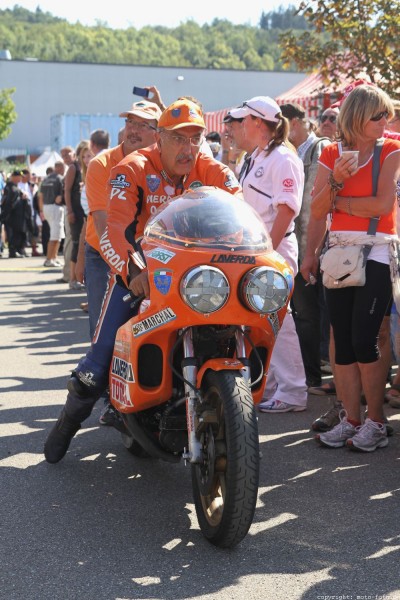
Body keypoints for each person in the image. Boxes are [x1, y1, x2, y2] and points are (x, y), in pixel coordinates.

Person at [44, 98, 242, 463]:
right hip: (141, 272)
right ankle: (67, 423)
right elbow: (113, 230)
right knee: (98, 363)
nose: (188, 148)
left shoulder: (214, 169)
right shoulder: (131, 168)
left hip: (197, 279)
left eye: (195, 138)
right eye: (179, 139)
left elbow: (243, 218)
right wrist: (133, 271)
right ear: (160, 138)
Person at [301, 84, 400, 452]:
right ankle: (353, 419)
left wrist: (336, 199)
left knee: (365, 338)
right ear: (358, 117)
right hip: (338, 251)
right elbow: (315, 211)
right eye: (378, 115)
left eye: (387, 114)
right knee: (342, 342)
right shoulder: (331, 151)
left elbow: (381, 205)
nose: (385, 121)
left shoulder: (390, 148)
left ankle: (375, 420)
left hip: (375, 249)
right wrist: (338, 180)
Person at [81, 104, 160, 425]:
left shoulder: (164, 163)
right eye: (130, 122)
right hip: (104, 253)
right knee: (106, 328)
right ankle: (108, 400)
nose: (133, 129)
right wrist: (128, 269)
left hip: (151, 254)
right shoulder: (102, 164)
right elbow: (103, 226)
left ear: (159, 132)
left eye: (143, 124)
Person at [230, 96, 308, 413]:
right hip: (256, 251)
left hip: (273, 249)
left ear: (258, 123)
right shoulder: (257, 156)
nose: (235, 126)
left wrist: (266, 252)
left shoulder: (282, 158)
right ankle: (274, 385)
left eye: (241, 120)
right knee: (262, 320)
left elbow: (287, 210)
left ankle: (293, 391)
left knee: (279, 320)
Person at [280, 102, 332, 390]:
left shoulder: (317, 150)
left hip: (312, 248)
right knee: (305, 314)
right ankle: (308, 375)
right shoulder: (294, 153)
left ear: (294, 124)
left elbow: (312, 209)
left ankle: (313, 376)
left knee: (311, 315)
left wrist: (306, 254)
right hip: (303, 248)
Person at [37, 161, 65, 267]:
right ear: (60, 168)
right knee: (55, 236)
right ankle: (49, 259)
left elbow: (40, 196)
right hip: (55, 207)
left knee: (56, 235)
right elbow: (61, 196)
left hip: (45, 207)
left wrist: (41, 210)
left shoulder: (45, 179)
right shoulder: (60, 178)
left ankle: (54, 258)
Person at [0, 170, 32, 258]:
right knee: (13, 235)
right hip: (12, 217)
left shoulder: (14, 187)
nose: (21, 178)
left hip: (17, 217)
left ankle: (17, 250)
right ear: (14, 177)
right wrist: (5, 216)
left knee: (17, 234)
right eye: (19, 176)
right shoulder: (10, 188)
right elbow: (8, 204)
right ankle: (13, 252)